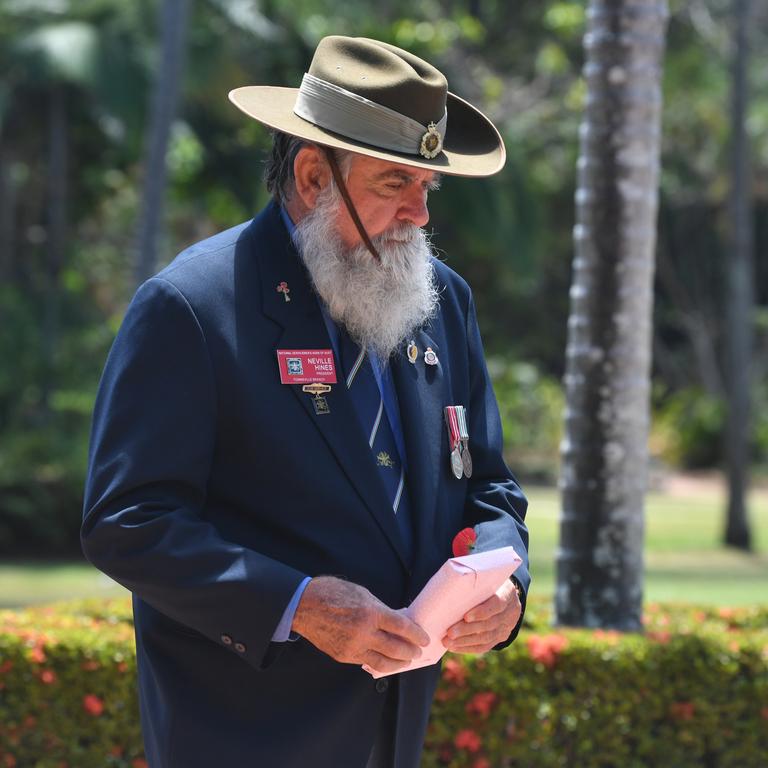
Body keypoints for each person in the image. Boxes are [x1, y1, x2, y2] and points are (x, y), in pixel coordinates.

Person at [81, 34, 530, 768]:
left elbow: (488, 485)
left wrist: (502, 579)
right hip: (240, 736)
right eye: (394, 184)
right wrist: (296, 604)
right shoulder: (192, 307)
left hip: (391, 739)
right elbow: (127, 522)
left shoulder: (443, 303)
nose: (420, 214)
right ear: (316, 176)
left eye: (429, 186)